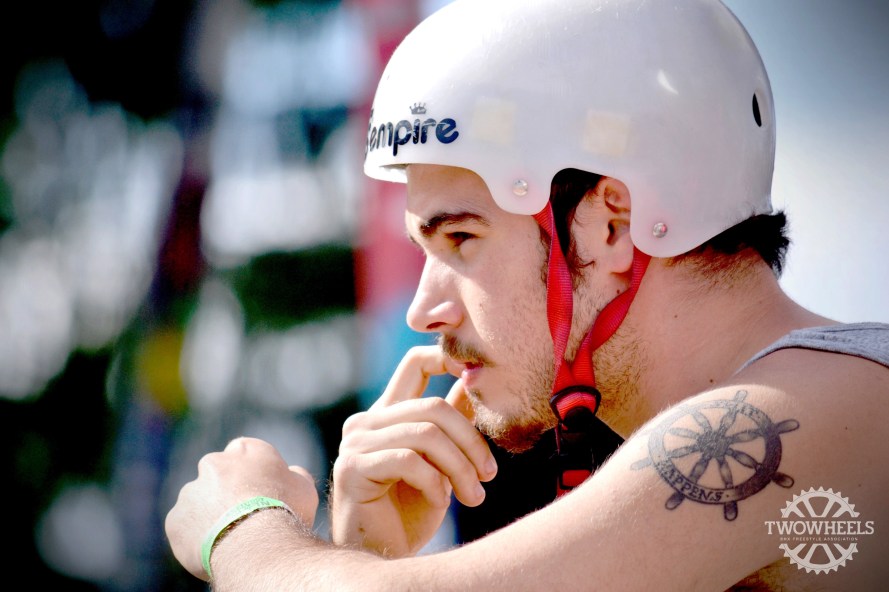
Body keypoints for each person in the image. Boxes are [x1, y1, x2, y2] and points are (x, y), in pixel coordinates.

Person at [164, 0, 889, 590]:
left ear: (609, 227)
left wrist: (244, 526)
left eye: (461, 239)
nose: (424, 310)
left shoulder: (797, 417)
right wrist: (369, 554)